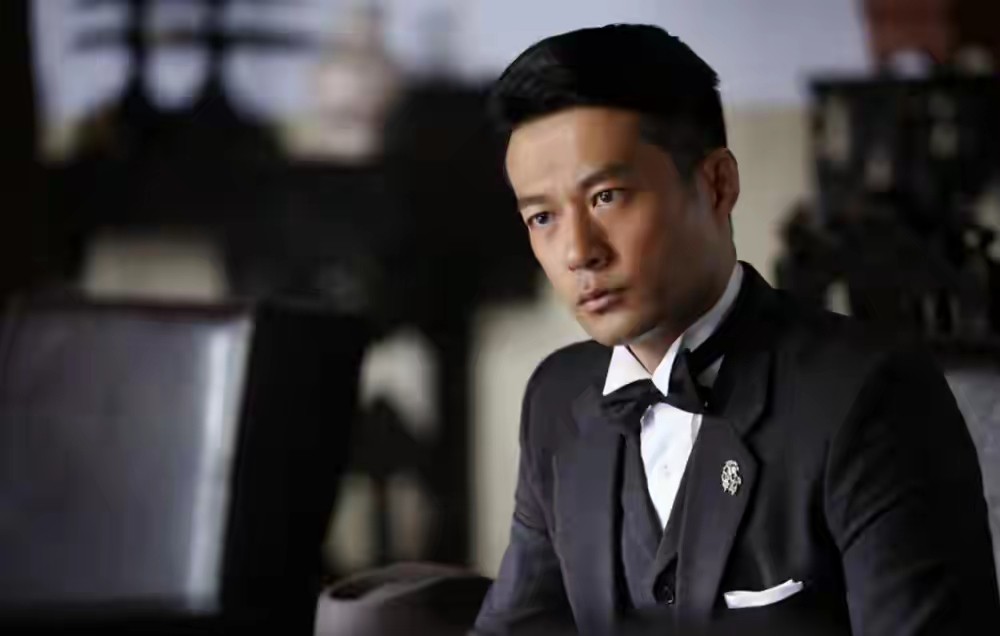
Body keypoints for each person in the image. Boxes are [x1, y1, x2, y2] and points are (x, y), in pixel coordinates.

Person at [473, 24, 1000, 636]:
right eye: (542, 217)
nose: (577, 251)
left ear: (717, 184)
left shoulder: (871, 396)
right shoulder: (555, 398)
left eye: (607, 196)